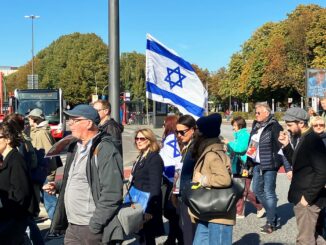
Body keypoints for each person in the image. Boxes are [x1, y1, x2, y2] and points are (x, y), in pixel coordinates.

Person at [43, 104, 124, 244]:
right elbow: (81, 178)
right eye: (70, 120)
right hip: (72, 225)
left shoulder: (105, 149)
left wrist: (95, 225)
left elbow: (112, 193)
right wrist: (57, 185)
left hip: (90, 228)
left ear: (88, 123)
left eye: (75, 120)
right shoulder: (75, 146)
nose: (70, 124)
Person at [278, 107, 326, 244]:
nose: (288, 129)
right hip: (303, 196)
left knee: (305, 240)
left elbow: (323, 171)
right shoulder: (303, 138)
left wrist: (307, 198)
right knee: (314, 237)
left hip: (308, 199)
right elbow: (298, 163)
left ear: (301, 123)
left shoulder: (312, 140)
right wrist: (287, 145)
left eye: (290, 125)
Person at [190, 113, 235, 245]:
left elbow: (224, 179)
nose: (195, 132)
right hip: (209, 210)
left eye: (197, 129)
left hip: (218, 213)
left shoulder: (212, 154)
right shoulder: (210, 149)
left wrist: (202, 179)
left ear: (203, 133)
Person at [3, 113, 44, 245]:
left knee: (28, 227)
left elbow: (20, 192)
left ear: (8, 138)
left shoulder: (16, 157)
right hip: (12, 215)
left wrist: (7, 213)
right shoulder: (8, 156)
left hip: (14, 217)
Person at [247, 102, 283, 234]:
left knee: (269, 192)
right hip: (256, 164)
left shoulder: (274, 126)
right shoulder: (256, 125)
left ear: (266, 113)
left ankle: (271, 222)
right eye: (255, 112)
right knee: (256, 190)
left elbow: (280, 147)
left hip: (270, 164)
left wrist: (278, 164)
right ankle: (272, 214)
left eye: (258, 113)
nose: (256, 115)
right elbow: (252, 143)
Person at [222, 116, 264, 219]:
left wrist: (229, 143)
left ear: (240, 125)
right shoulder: (238, 135)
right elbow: (233, 150)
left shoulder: (245, 135)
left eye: (234, 126)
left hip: (245, 165)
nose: (233, 128)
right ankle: (240, 212)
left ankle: (260, 206)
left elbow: (240, 148)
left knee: (244, 189)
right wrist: (227, 149)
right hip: (238, 165)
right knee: (239, 189)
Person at [131, 128, 164, 245]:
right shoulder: (141, 156)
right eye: (137, 139)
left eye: (142, 139)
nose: (138, 141)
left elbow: (155, 186)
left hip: (148, 201)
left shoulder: (154, 159)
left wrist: (150, 210)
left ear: (149, 140)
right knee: (142, 233)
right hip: (138, 200)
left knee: (149, 235)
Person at [28, 108, 61, 223]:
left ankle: (58, 226)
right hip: (41, 171)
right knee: (45, 198)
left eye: (30, 117)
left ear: (35, 119)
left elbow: (50, 155)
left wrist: (51, 175)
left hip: (45, 172)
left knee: (50, 201)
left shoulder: (42, 133)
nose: (28, 119)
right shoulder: (36, 131)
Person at [171, 114, 197, 245]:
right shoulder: (186, 146)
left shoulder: (195, 148)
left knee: (189, 232)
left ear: (192, 130)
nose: (179, 135)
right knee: (183, 229)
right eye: (177, 132)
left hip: (190, 196)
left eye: (182, 132)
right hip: (181, 194)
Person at [159, 115, 184, 245]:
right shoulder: (178, 138)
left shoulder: (169, 139)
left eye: (164, 124)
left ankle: (179, 240)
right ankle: (171, 239)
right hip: (177, 176)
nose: (163, 126)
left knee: (171, 212)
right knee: (174, 213)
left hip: (171, 178)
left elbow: (167, 161)